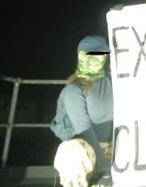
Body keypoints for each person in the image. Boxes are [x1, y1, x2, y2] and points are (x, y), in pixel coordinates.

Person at [53, 35, 114, 187]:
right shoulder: (73, 90)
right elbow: (84, 129)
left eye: (102, 54)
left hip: (113, 144)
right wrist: (104, 169)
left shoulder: (114, 80)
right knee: (72, 152)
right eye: (92, 54)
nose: (99, 59)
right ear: (81, 56)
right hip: (87, 149)